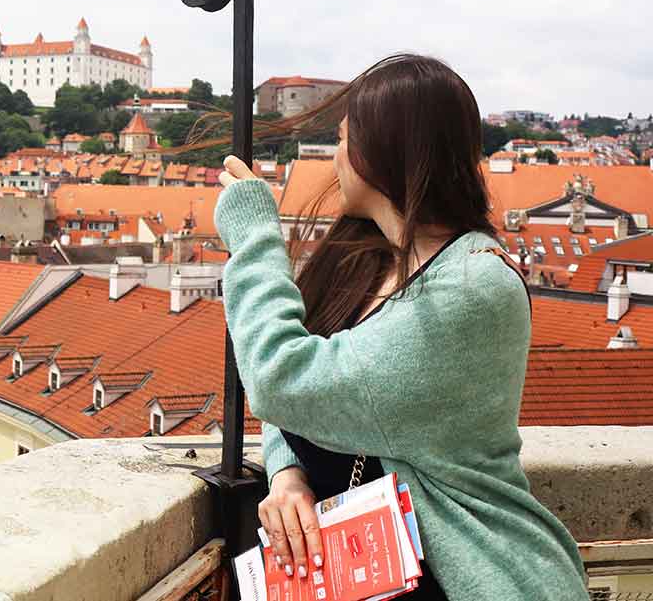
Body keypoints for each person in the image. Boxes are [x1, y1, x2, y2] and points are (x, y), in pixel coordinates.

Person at [214, 54, 590, 601]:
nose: (336, 159)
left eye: (343, 139)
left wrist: (254, 240)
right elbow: (298, 397)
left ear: (380, 149)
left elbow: (280, 376)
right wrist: (288, 472)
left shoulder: (471, 289)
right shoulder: (371, 260)